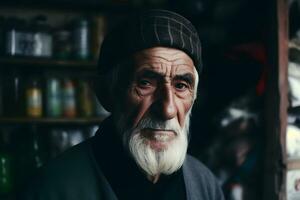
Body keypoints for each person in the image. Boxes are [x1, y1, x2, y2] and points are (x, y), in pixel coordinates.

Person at [20, 9, 224, 200]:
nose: (168, 109)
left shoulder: (204, 185)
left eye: (181, 86)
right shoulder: (53, 188)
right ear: (106, 94)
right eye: (145, 83)